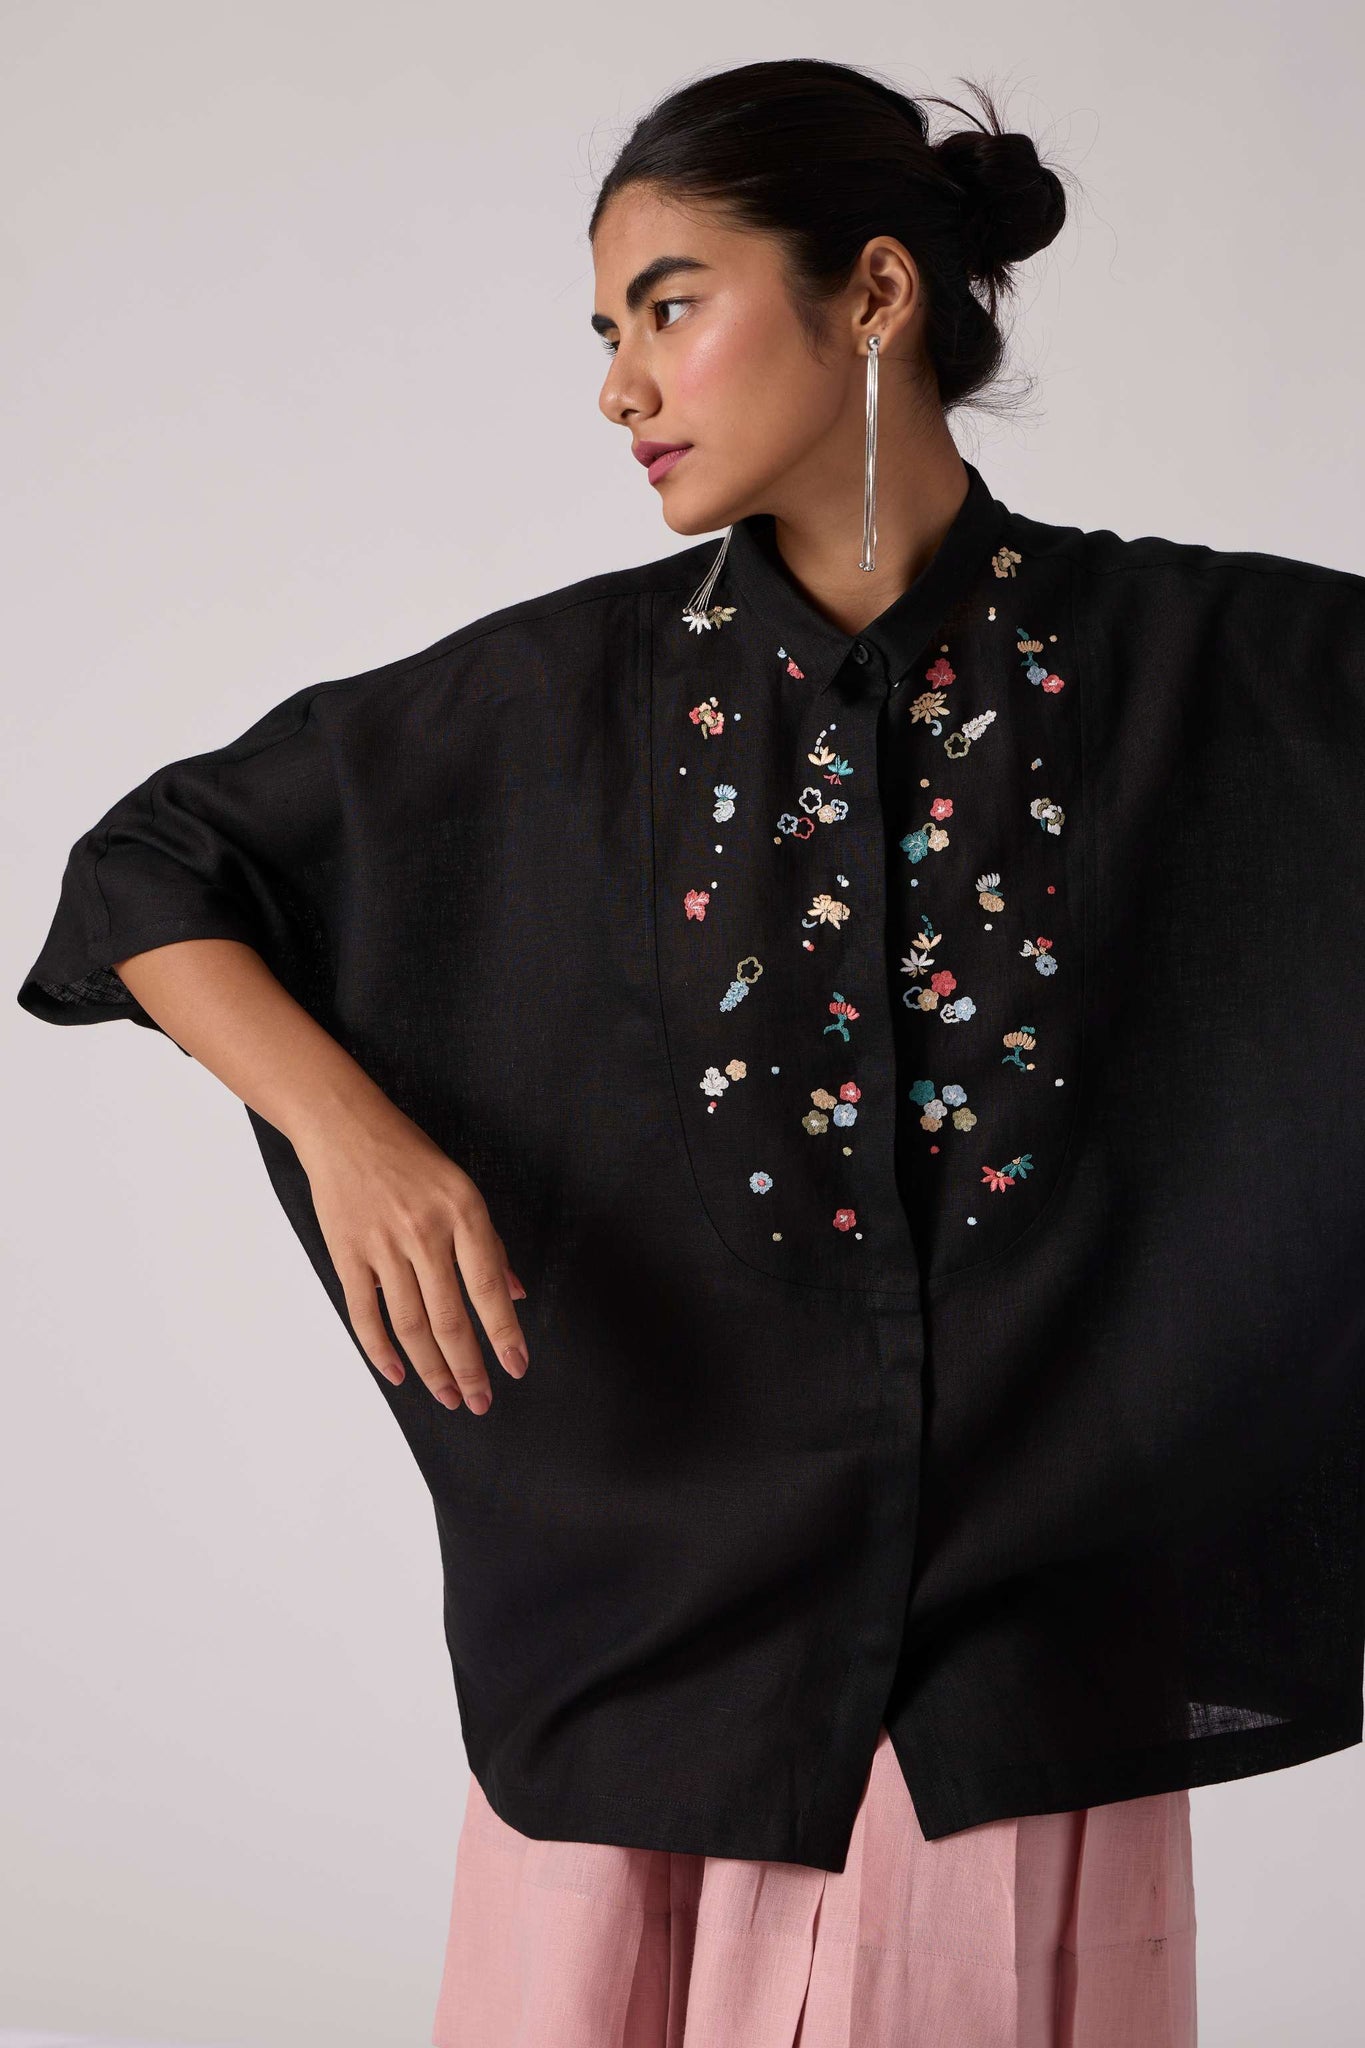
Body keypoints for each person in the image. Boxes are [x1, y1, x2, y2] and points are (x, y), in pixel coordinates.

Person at [18, 55, 1365, 2048]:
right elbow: (150, 868)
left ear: (873, 294)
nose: (620, 387)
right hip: (653, 1660)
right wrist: (354, 1136)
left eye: (667, 306)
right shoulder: (567, 694)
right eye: (605, 332)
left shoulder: (1202, 664)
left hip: (1016, 1679)